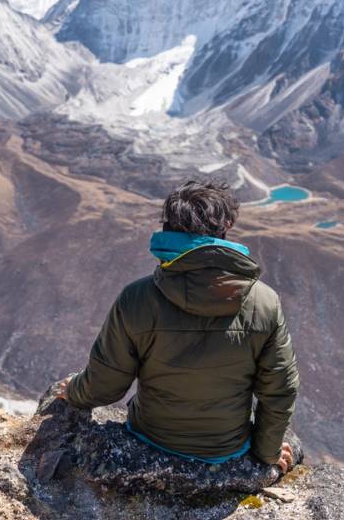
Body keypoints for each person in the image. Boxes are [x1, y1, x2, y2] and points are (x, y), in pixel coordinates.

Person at [57, 180, 299, 472]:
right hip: (227, 447)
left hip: (151, 438)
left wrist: (74, 391)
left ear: (168, 229)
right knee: (297, 449)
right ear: (227, 226)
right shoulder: (264, 301)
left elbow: (106, 385)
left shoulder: (137, 298)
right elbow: (280, 389)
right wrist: (267, 452)